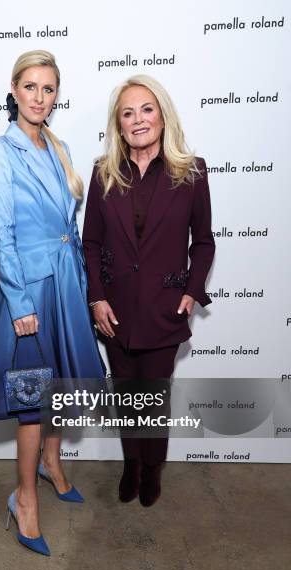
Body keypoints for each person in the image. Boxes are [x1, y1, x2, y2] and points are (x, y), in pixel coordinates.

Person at [0, 50, 104, 555]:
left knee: (63, 385)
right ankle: (24, 498)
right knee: (32, 397)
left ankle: (52, 465)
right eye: (31, 87)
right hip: (27, 289)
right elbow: (2, 233)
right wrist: (20, 300)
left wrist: (86, 288)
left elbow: (69, 228)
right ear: (14, 88)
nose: (39, 97)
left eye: (49, 89)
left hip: (67, 285)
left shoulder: (61, 147)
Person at [82, 74, 215, 507]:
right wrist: (96, 297)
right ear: (118, 126)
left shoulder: (192, 172)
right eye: (127, 113)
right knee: (125, 395)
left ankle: (153, 467)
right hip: (115, 312)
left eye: (146, 109)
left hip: (164, 311)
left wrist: (192, 291)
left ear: (162, 116)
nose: (138, 120)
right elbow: (92, 243)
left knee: (153, 398)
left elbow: (204, 241)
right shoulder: (104, 173)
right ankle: (131, 464)